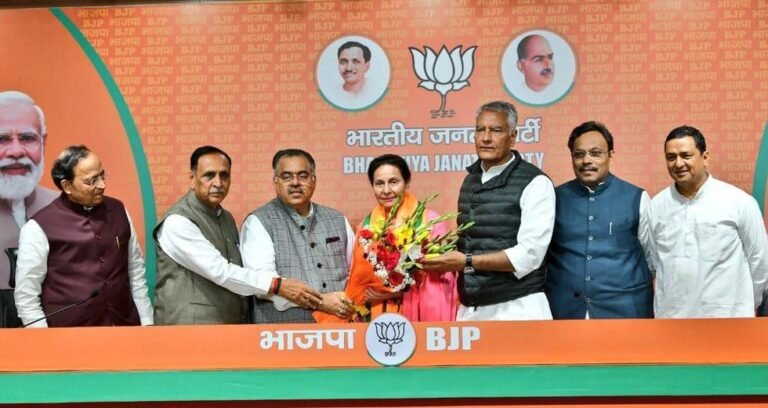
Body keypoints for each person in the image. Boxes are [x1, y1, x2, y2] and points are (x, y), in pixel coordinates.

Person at [154, 146, 322, 325]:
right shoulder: (178, 222)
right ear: (192, 179)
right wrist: (277, 285)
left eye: (224, 175)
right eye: (209, 175)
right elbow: (220, 271)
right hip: (187, 329)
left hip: (229, 327)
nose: (218, 183)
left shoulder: (225, 218)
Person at [421, 101, 556, 321]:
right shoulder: (471, 180)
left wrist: (466, 261)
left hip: (518, 307)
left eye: (496, 130)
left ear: (513, 136)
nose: (485, 138)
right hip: (472, 307)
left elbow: (530, 255)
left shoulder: (535, 182)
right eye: (480, 129)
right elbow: (475, 240)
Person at [14, 145, 152, 327]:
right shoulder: (39, 227)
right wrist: (42, 337)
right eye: (91, 181)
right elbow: (27, 295)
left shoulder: (118, 210)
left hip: (124, 326)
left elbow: (135, 271)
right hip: (69, 334)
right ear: (67, 186)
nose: (102, 185)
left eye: (102, 175)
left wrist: (146, 321)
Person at [319, 154, 458, 323]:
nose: (386, 190)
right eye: (379, 183)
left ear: (407, 182)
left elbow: (443, 277)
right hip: (379, 312)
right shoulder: (366, 228)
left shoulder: (429, 222)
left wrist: (396, 291)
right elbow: (360, 278)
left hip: (422, 311)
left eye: (393, 182)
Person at [650, 125, 768, 318]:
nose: (678, 163)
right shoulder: (656, 206)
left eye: (686, 155)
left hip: (729, 318)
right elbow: (654, 263)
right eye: (671, 157)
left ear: (705, 158)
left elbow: (760, 261)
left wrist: (743, 304)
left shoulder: (739, 202)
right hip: (672, 319)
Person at [546, 121, 654, 319]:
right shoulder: (553, 198)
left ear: (610, 155)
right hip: (565, 309)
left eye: (595, 153)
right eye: (579, 154)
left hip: (625, 309)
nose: (586, 160)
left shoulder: (637, 197)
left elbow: (650, 257)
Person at [240, 149, 355, 323]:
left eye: (303, 176)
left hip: (340, 329)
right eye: (286, 177)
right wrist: (321, 302)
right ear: (275, 182)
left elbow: (355, 272)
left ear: (313, 180)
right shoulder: (259, 221)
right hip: (282, 331)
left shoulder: (337, 219)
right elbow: (262, 283)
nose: (295, 182)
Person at [0, 91, 58, 327]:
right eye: (2, 139)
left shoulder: (63, 207)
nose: (15, 151)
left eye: (27, 138)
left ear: (43, 143)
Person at [325, 41, 377, 108]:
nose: (349, 68)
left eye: (356, 61)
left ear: (367, 66)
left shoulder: (377, 89)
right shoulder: (332, 95)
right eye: (343, 62)